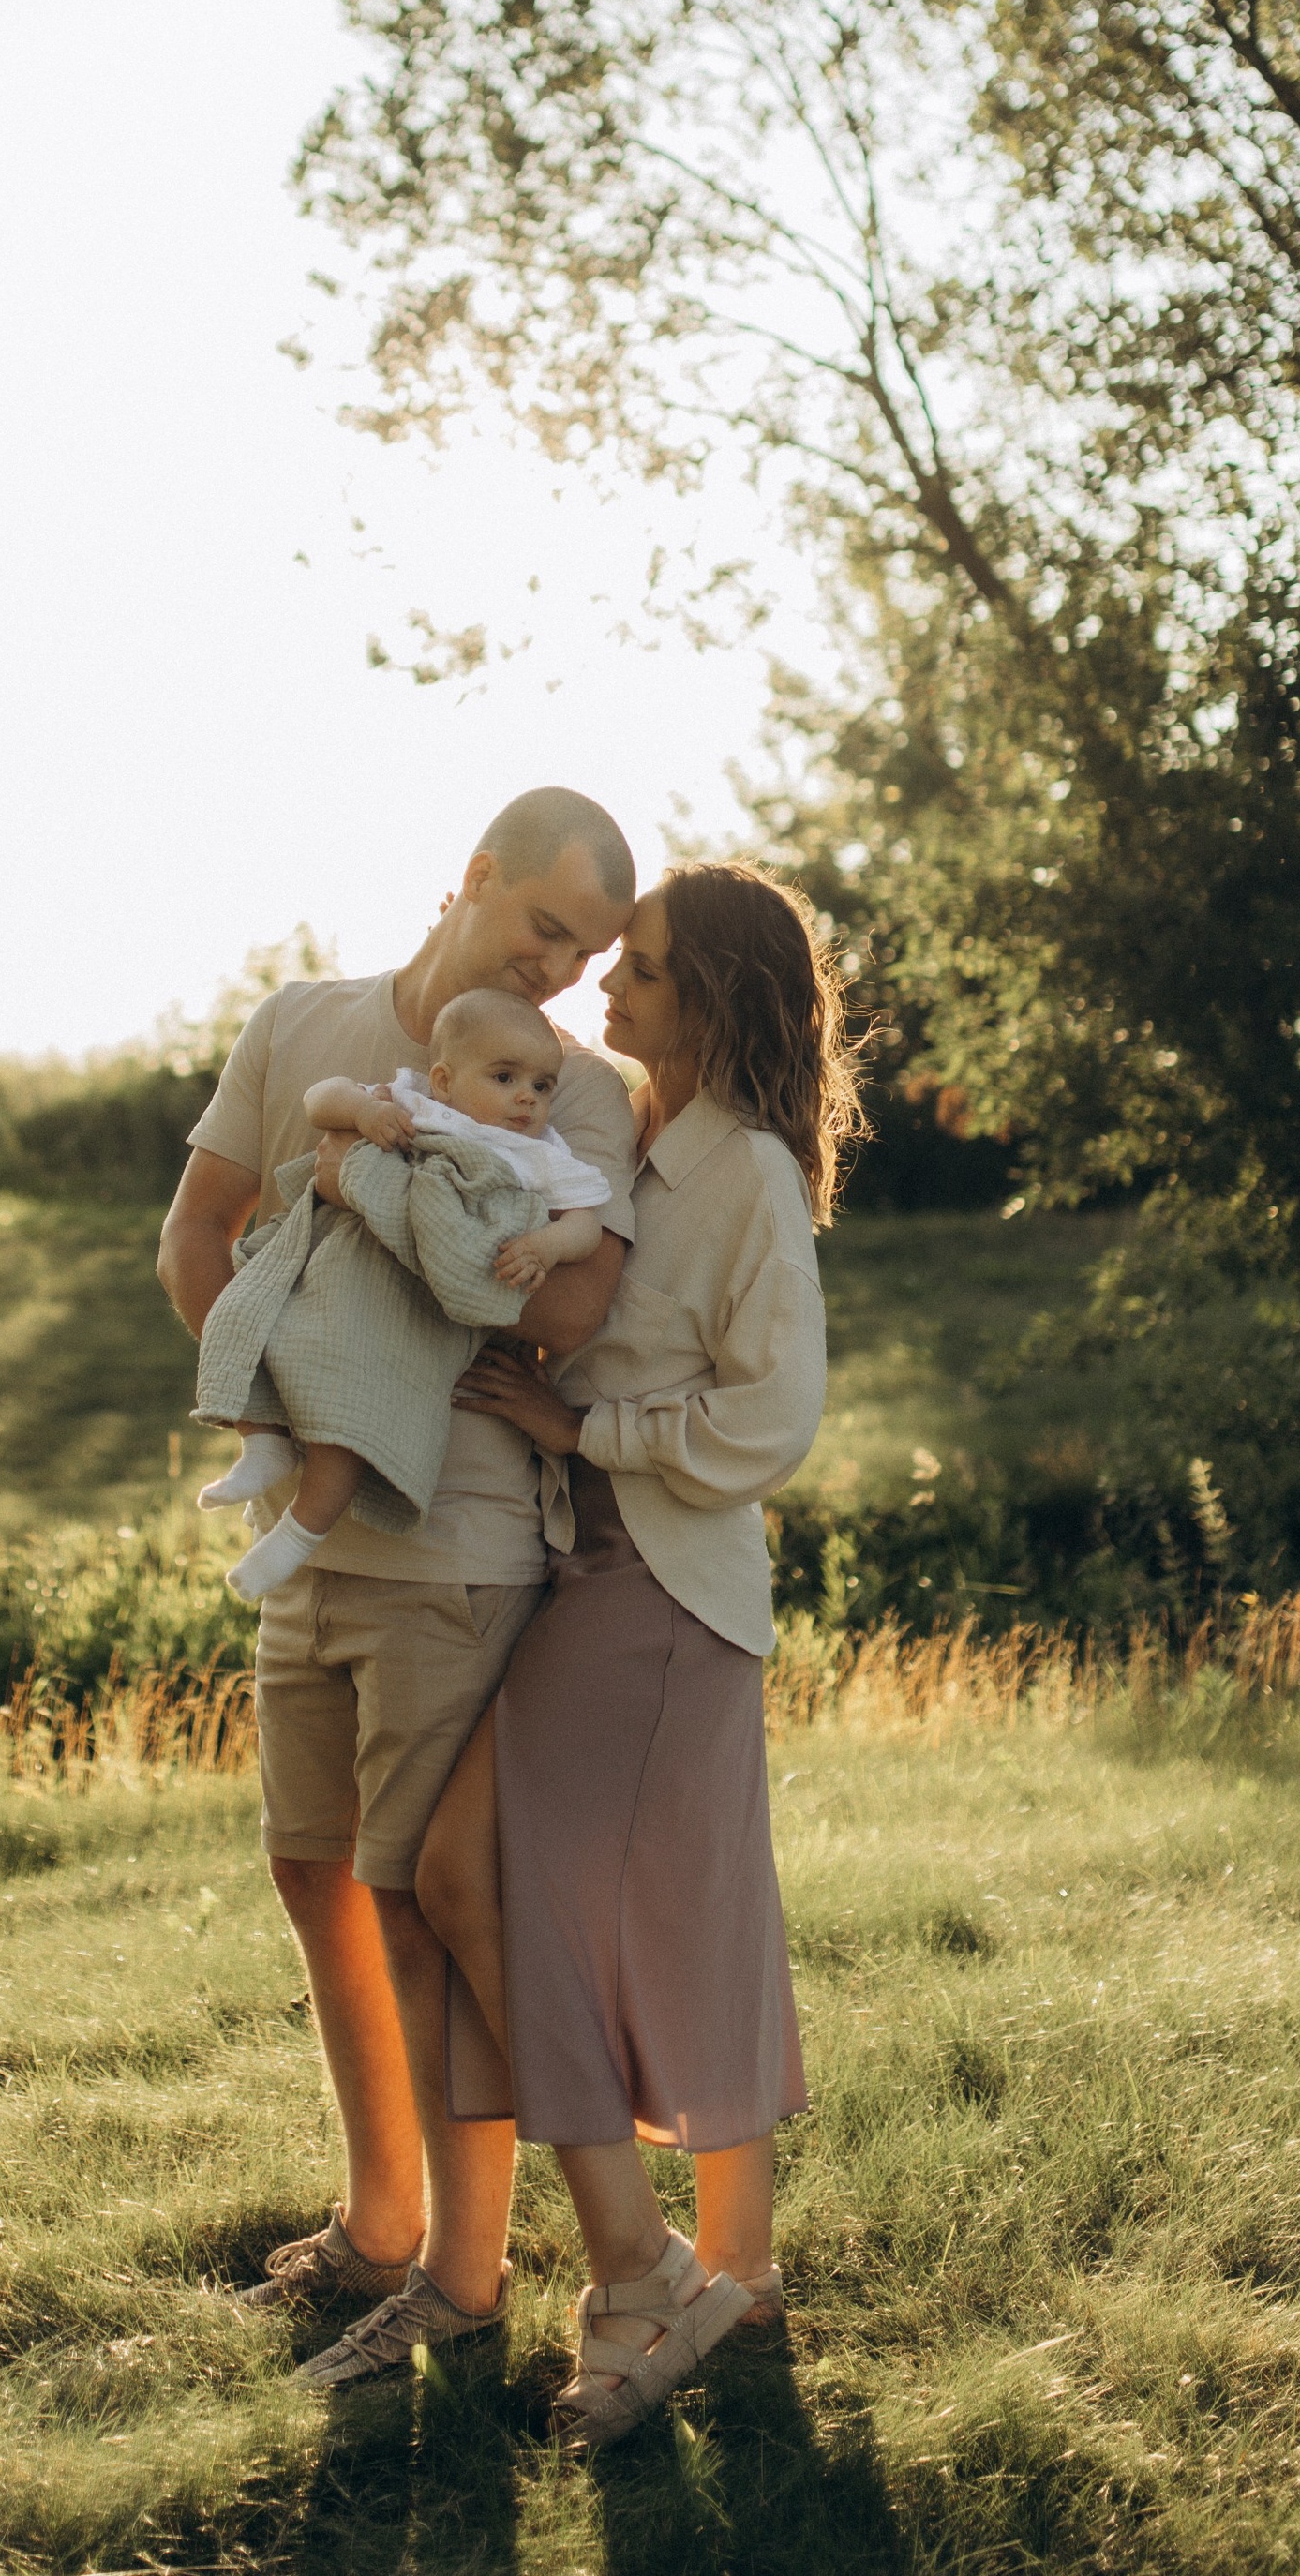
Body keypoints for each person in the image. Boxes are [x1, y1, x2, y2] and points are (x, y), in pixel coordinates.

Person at [156, 789, 637, 2387]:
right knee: (313, 1874)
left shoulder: (578, 1089)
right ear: (476, 875)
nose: (563, 973)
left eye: (591, 951)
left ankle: (465, 2268)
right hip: (315, 1518)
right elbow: (198, 1232)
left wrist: (427, 1276)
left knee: (422, 1898)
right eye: (547, 927)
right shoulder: (306, 1024)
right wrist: (297, 1400)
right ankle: (376, 2219)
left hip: (460, 1537)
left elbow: (569, 1307)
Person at [414, 860, 863, 2444]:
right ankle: (705, 2262)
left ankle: (644, 2271)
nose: (606, 990)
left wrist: (591, 1422)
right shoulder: (626, 1134)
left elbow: (773, 1414)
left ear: (716, 998)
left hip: (663, 1589)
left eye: (644, 969)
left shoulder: (737, 1170)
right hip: (592, 1565)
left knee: (483, 1873)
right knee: (669, 1907)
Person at [195, 990, 615, 1601]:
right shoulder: (413, 1101)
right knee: (247, 1312)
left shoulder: (538, 1155)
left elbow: (587, 1225)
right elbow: (323, 1098)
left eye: (543, 1085)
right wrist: (365, 1116)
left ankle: (297, 1534)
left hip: (413, 1303)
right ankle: (260, 1442)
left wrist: (548, 1245)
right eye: (505, 1077)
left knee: (353, 1412)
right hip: (338, 1263)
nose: (528, 1097)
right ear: (443, 1080)